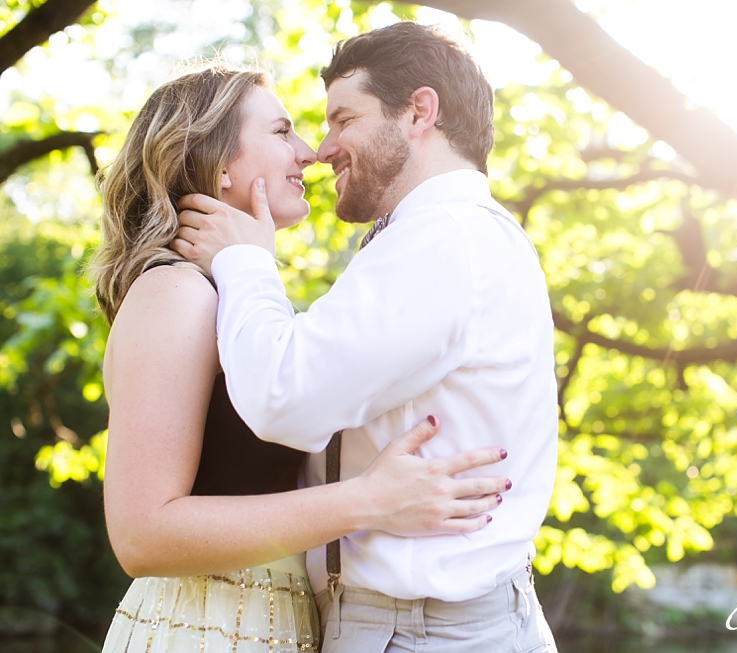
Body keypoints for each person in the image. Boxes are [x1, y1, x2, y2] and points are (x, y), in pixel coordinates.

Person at [92, 61, 512, 653]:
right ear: (218, 161)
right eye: (282, 131)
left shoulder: (235, 297)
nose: (311, 152)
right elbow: (141, 535)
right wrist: (369, 501)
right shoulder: (177, 292)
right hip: (202, 629)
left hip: (272, 625)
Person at [173, 22, 559, 652]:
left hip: (426, 632)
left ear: (419, 112)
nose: (322, 149)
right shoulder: (437, 237)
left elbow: (283, 397)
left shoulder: (446, 241)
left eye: (343, 120)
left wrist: (246, 261)